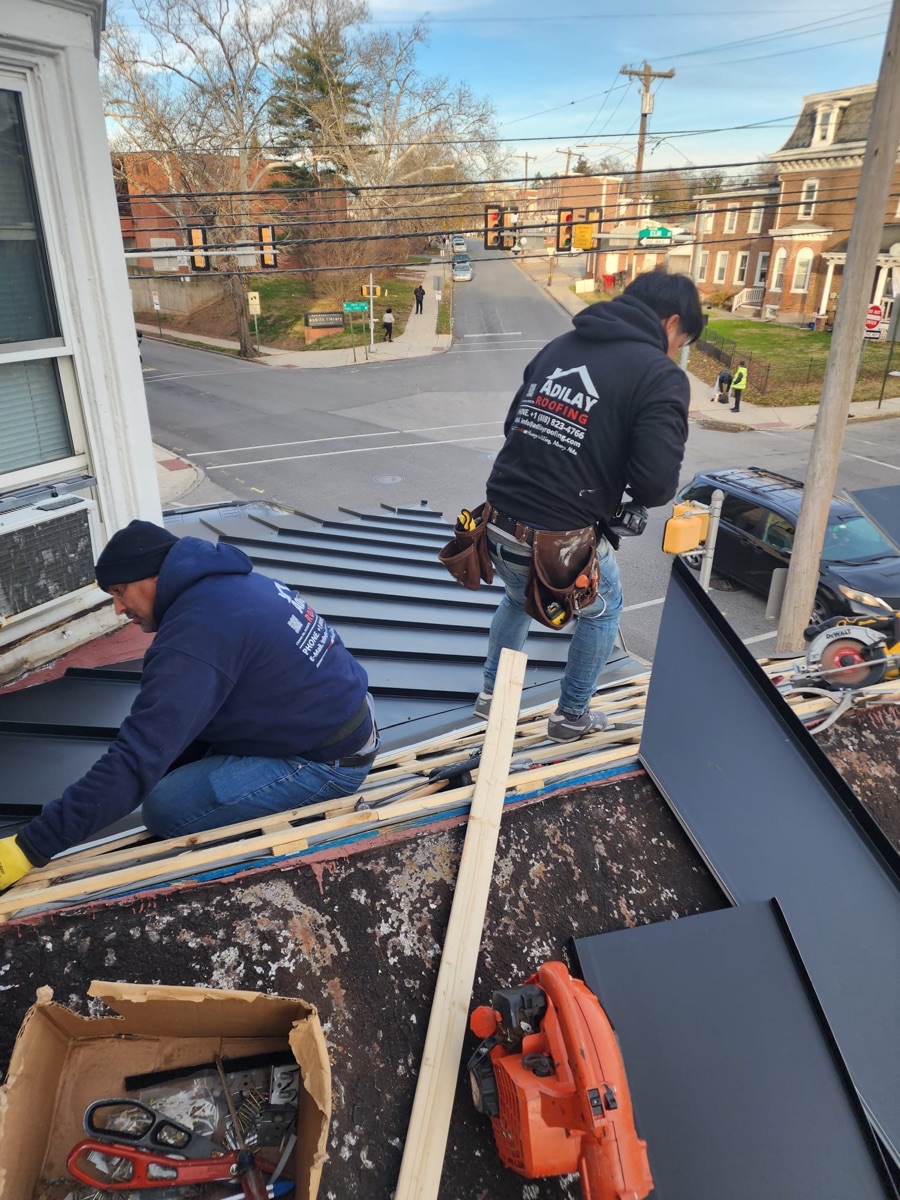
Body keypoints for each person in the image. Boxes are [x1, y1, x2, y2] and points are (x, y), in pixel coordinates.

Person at [0, 521, 378, 893]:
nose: (117, 608)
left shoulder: (195, 635)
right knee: (167, 763)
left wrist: (29, 848)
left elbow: (137, 759)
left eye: (120, 591)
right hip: (346, 715)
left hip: (329, 761)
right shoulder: (229, 585)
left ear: (153, 578)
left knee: (167, 806)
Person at [472, 269, 703, 742]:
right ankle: (571, 715)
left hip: (495, 520)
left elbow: (513, 424)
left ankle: (492, 697)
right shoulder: (659, 374)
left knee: (518, 598)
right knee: (603, 609)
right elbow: (657, 485)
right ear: (672, 323)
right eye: (681, 341)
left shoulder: (561, 346)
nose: (677, 351)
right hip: (557, 539)